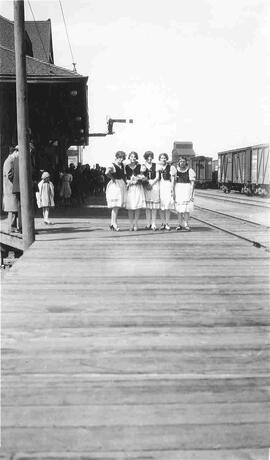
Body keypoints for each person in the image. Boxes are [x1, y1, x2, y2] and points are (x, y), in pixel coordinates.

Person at [171, 156, 196, 231]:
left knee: (186, 209)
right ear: (178, 162)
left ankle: (186, 224)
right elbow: (173, 182)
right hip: (178, 189)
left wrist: (192, 193)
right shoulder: (175, 171)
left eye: (183, 161)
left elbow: (192, 183)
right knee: (179, 209)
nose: (182, 163)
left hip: (187, 189)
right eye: (181, 161)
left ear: (186, 162)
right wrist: (173, 192)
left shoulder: (190, 170)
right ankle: (180, 224)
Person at [105, 151, 127, 231]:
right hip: (115, 185)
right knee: (115, 206)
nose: (121, 160)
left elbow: (124, 175)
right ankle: (114, 224)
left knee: (117, 206)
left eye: (122, 158)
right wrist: (112, 178)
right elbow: (106, 172)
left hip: (121, 184)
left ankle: (112, 223)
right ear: (117, 157)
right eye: (120, 158)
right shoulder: (112, 165)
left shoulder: (122, 165)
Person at [125, 151, 146, 231]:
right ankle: (131, 224)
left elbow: (143, 176)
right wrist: (129, 182)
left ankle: (136, 224)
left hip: (137, 187)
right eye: (131, 156)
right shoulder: (126, 166)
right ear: (129, 157)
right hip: (130, 188)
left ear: (136, 157)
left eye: (134, 156)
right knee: (130, 207)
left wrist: (138, 179)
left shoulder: (140, 166)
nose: (133, 158)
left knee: (137, 206)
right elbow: (125, 177)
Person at [2, 146, 20, 233]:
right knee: (12, 209)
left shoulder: (11, 160)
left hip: (12, 188)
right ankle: (11, 227)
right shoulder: (10, 161)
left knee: (14, 208)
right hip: (10, 188)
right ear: (15, 152)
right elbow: (10, 175)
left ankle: (13, 226)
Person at [141, 151, 160, 230]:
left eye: (151, 156)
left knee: (154, 206)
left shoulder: (156, 165)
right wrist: (146, 183)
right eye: (148, 156)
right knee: (148, 207)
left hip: (154, 185)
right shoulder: (143, 166)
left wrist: (151, 184)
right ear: (145, 157)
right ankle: (148, 223)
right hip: (146, 185)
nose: (149, 158)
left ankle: (153, 224)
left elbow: (158, 177)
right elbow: (141, 176)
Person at [157, 153, 174, 230]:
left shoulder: (170, 167)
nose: (163, 159)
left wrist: (172, 188)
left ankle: (167, 223)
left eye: (164, 158)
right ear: (159, 159)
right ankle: (163, 223)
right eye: (161, 158)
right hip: (160, 186)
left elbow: (172, 179)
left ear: (166, 159)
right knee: (161, 206)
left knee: (167, 206)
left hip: (167, 185)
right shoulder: (158, 167)